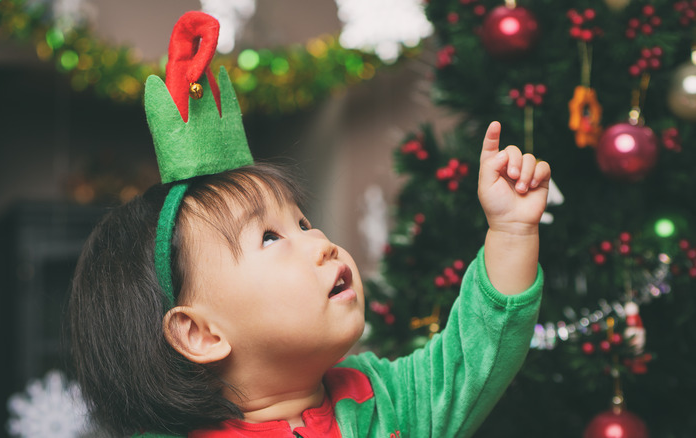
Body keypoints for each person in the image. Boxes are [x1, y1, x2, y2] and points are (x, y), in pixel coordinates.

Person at [68, 12, 551, 438]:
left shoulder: (386, 402)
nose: (320, 241)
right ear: (201, 334)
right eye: (271, 237)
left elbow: (476, 355)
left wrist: (510, 232)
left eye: (303, 221)